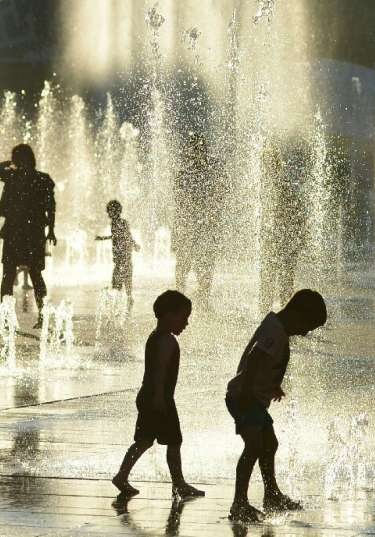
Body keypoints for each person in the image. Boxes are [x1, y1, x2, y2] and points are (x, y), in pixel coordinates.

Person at [225, 289, 328, 522]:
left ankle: (271, 495)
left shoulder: (277, 327)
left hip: (252, 398)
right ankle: (239, 503)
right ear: (296, 314)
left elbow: (267, 361)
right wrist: (249, 392)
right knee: (254, 446)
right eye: (307, 326)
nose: (305, 333)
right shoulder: (275, 330)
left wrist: (273, 385)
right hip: (245, 397)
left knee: (269, 443)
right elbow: (255, 358)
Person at [111, 290, 204, 499]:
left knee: (145, 440)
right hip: (158, 397)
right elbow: (160, 371)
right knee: (173, 441)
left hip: (151, 395)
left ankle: (122, 476)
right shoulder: (167, 341)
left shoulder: (156, 337)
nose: (186, 323)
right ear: (169, 315)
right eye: (184, 317)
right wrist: (160, 399)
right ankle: (178, 483)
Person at [0, 144, 56, 328]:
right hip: (32, 232)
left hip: (16, 232)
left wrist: (11, 163)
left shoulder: (13, 175)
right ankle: (41, 316)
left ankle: (6, 317)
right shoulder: (42, 179)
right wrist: (51, 230)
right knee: (34, 274)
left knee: (9, 275)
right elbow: (51, 208)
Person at [172, 134, 225, 309]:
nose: (196, 153)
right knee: (187, 266)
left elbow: (217, 200)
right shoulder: (184, 175)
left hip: (201, 229)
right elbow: (179, 206)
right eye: (195, 149)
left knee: (202, 266)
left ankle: (201, 300)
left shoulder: (205, 174)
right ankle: (188, 301)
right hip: (192, 229)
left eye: (199, 149)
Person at [259, 139, 306, 312]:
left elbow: (298, 211)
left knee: (282, 280)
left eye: (268, 163)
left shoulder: (281, 185)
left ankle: (282, 315)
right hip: (274, 240)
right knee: (271, 279)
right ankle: (268, 313)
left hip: (283, 240)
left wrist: (299, 237)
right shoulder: (266, 186)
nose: (265, 168)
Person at [96, 200, 140, 311]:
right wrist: (104, 238)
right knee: (122, 282)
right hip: (121, 257)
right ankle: (124, 306)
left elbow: (125, 236)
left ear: (115, 211)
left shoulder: (121, 222)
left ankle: (123, 306)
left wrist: (134, 245)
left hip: (123, 256)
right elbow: (118, 235)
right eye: (108, 211)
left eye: (110, 211)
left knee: (120, 282)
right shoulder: (116, 223)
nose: (108, 214)